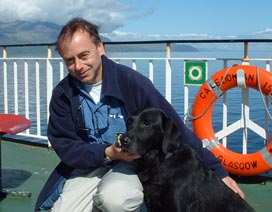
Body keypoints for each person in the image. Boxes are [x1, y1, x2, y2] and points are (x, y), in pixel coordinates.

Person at [35, 17, 244, 212]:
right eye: (69, 60)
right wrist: (107, 153)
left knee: (116, 199)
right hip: (88, 165)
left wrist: (219, 172)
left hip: (130, 164)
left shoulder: (132, 83)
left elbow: (176, 128)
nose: (78, 66)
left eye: (84, 55)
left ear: (100, 47)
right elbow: (65, 145)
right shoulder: (63, 94)